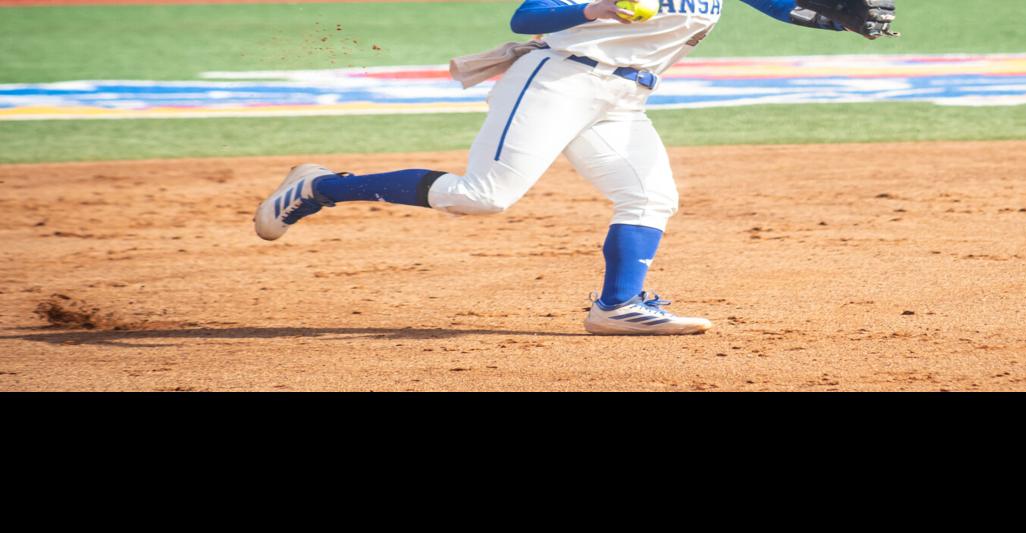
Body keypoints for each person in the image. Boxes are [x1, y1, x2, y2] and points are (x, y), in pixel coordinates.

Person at [254, 0, 896, 335]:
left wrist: (842, 20)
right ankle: (320, 187)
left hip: (623, 96)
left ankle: (618, 306)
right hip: (556, 81)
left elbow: (780, 4)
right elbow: (527, 14)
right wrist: (594, 8)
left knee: (650, 196)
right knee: (483, 196)